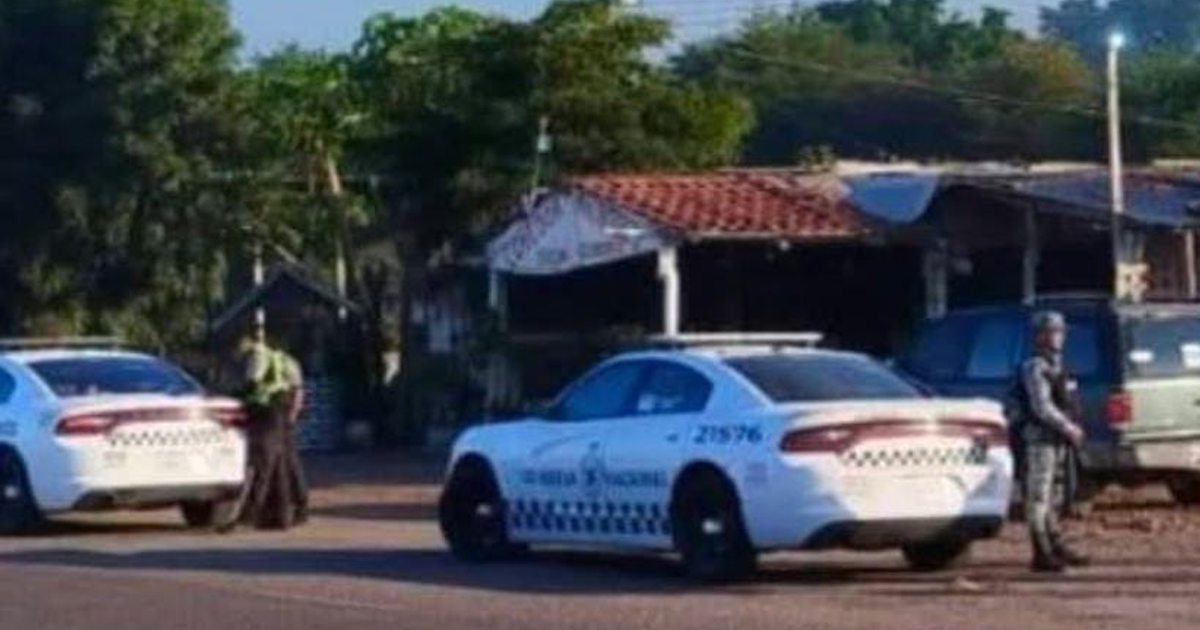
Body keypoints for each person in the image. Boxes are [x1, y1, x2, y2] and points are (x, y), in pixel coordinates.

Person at [1016, 311, 1091, 573]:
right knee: (1039, 496)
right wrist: (1068, 427)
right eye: (1049, 331)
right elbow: (1041, 407)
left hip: (1059, 440)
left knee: (1057, 495)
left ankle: (1055, 543)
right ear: (1038, 336)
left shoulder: (1058, 365)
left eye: (1059, 331)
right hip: (1040, 440)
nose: (1056, 336)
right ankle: (1041, 552)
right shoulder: (1035, 367)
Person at [230, 334, 307, 530]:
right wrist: (293, 413)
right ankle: (287, 514)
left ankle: (250, 515)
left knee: (263, 465)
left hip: (267, 413)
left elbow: (252, 383)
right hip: (282, 411)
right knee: (283, 464)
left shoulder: (257, 355)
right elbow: (298, 389)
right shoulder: (284, 359)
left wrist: (237, 395)